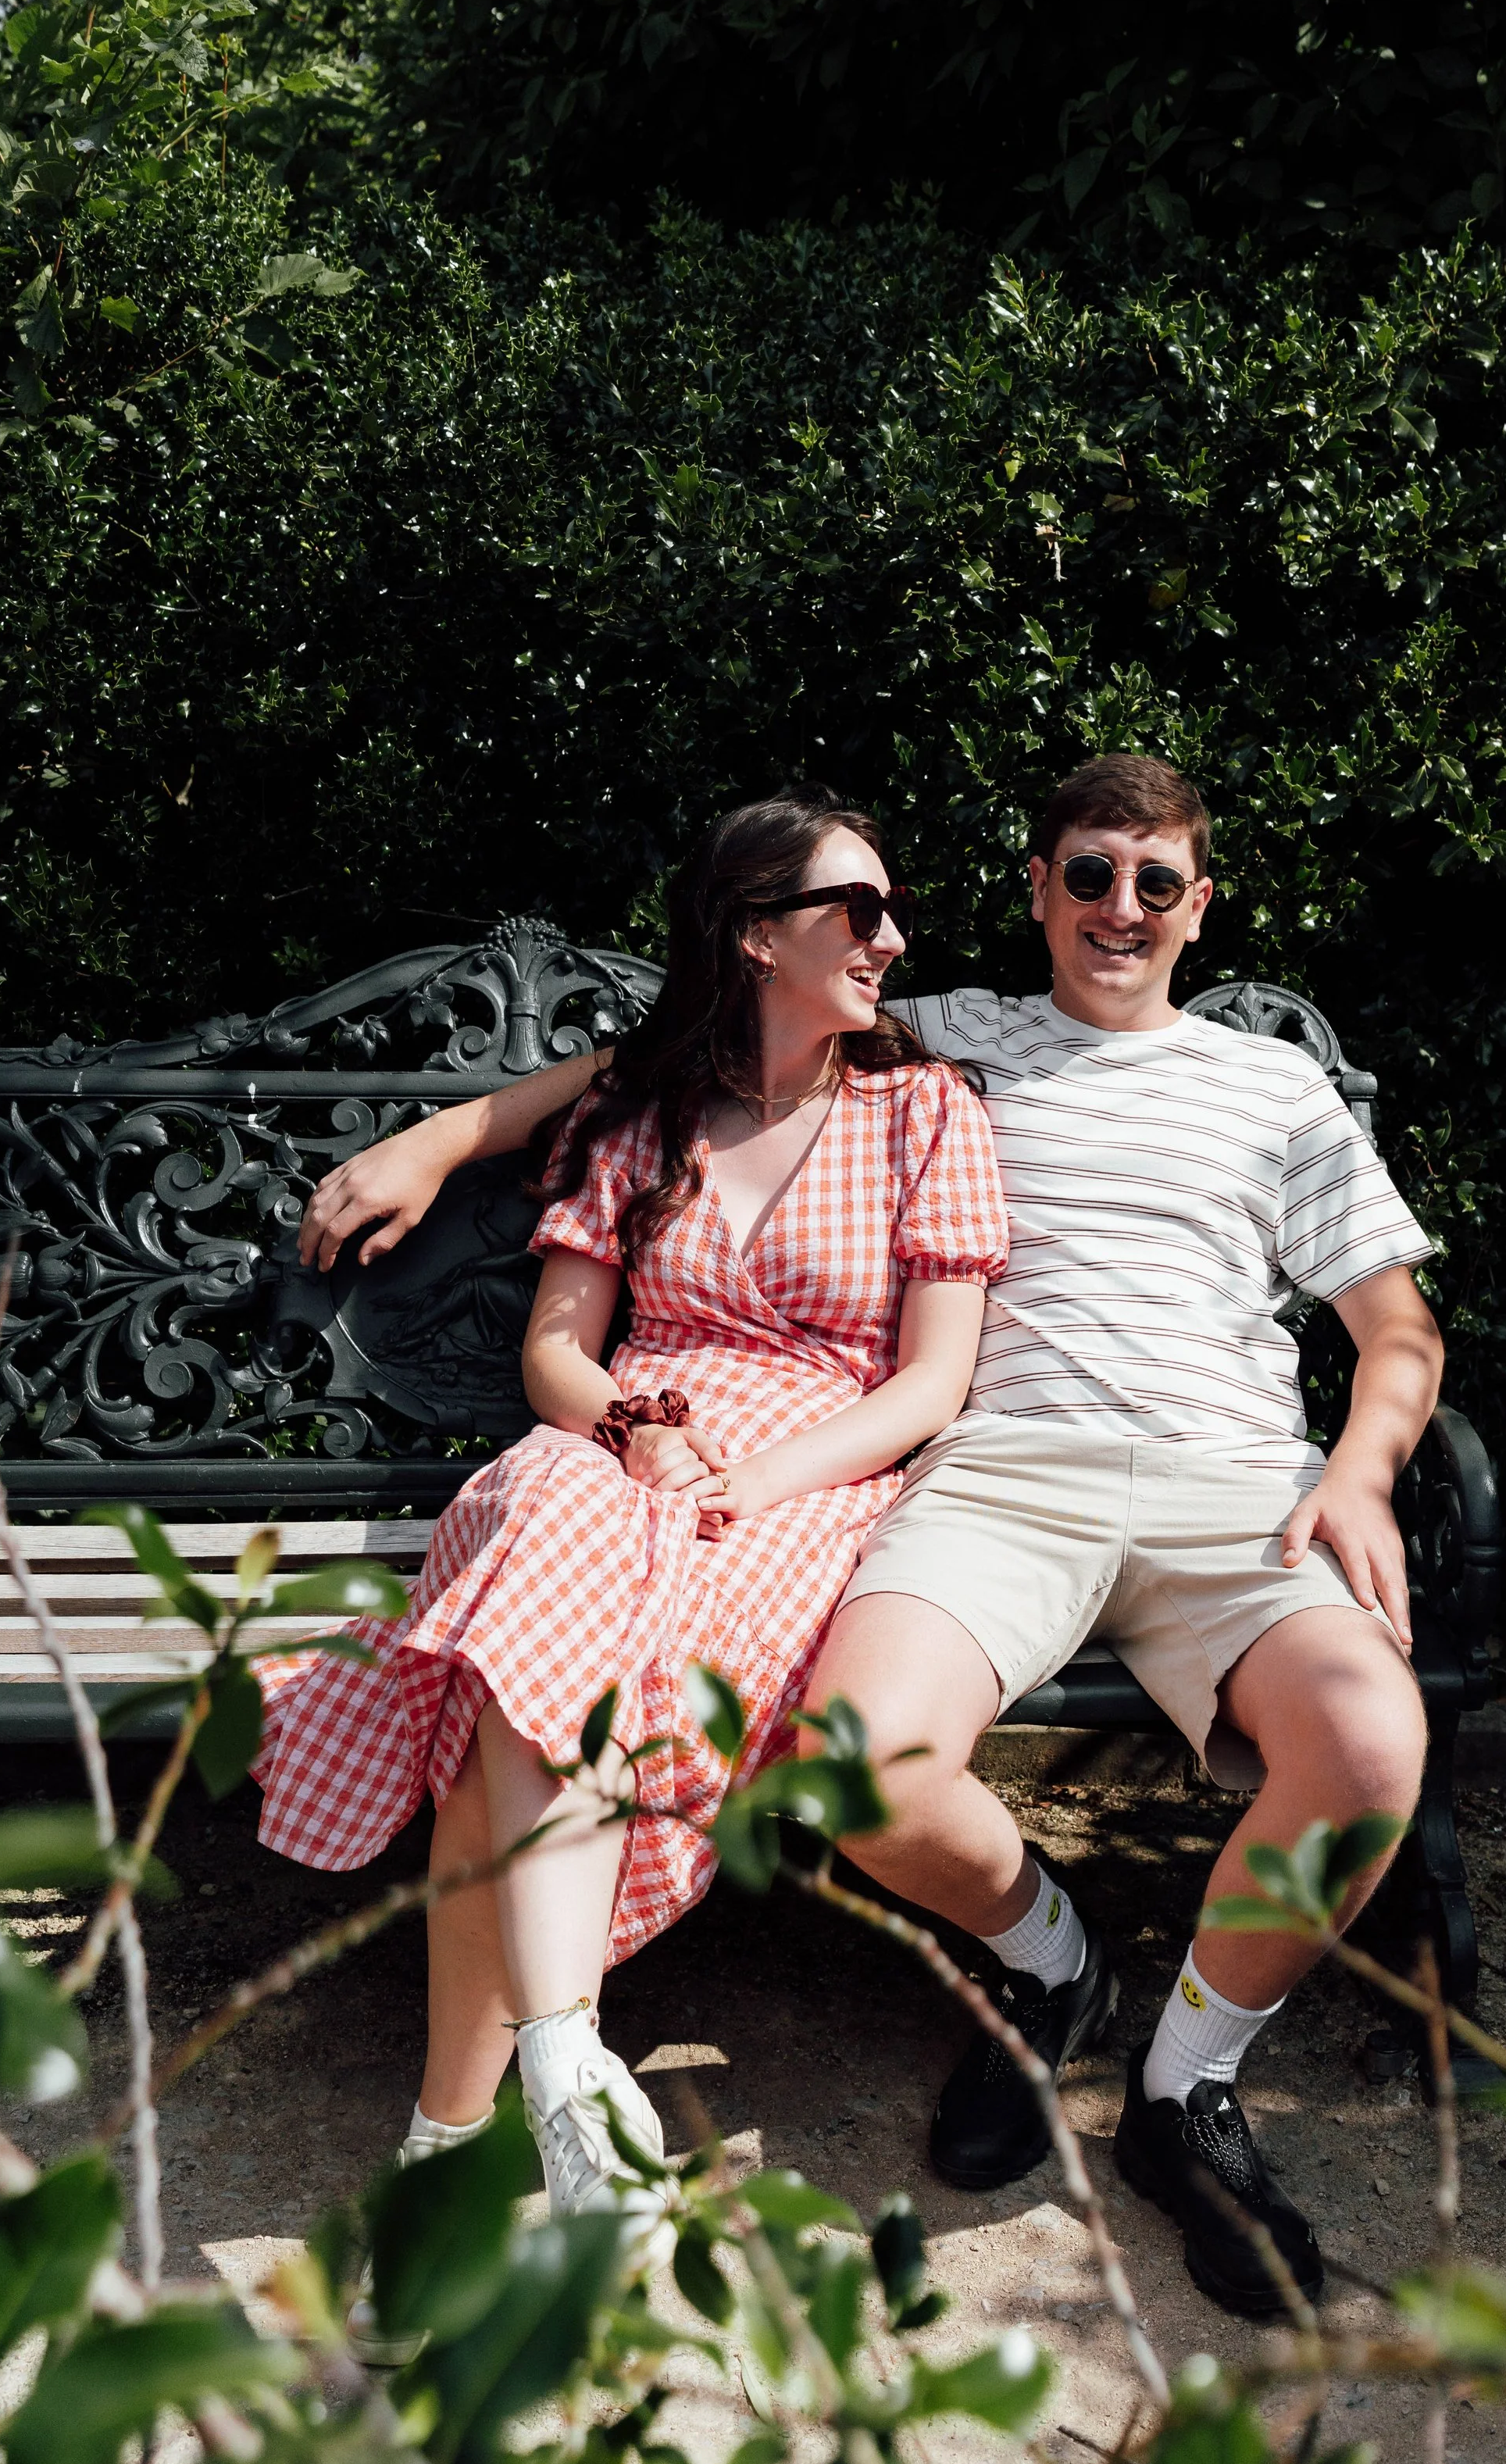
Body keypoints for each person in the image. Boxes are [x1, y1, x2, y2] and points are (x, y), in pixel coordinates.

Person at [298, 753, 1441, 2323]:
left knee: (1371, 1748)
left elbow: (1396, 1329)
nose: (1120, 907)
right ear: (1038, 889)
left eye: (1155, 880)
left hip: (1232, 1482)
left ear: (1198, 904)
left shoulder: (1270, 1091)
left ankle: (1184, 2087)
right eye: (1089, 874)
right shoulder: (949, 1037)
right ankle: (1053, 1966)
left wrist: (1365, 1469)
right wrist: (441, 1140)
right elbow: (669, 1051)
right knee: (849, 1760)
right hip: (1003, 1479)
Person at [254, 794, 1007, 2243]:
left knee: (506, 1701)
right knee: (546, 1518)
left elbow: (930, 1385)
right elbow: (558, 1353)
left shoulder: (924, 1112)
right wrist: (631, 1430)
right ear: (756, 934)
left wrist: (757, 1479)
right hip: (619, 1447)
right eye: (858, 911)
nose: (892, 941)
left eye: (894, 912)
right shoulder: (646, 1112)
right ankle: (561, 2065)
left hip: (809, 1481)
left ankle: (454, 2143)